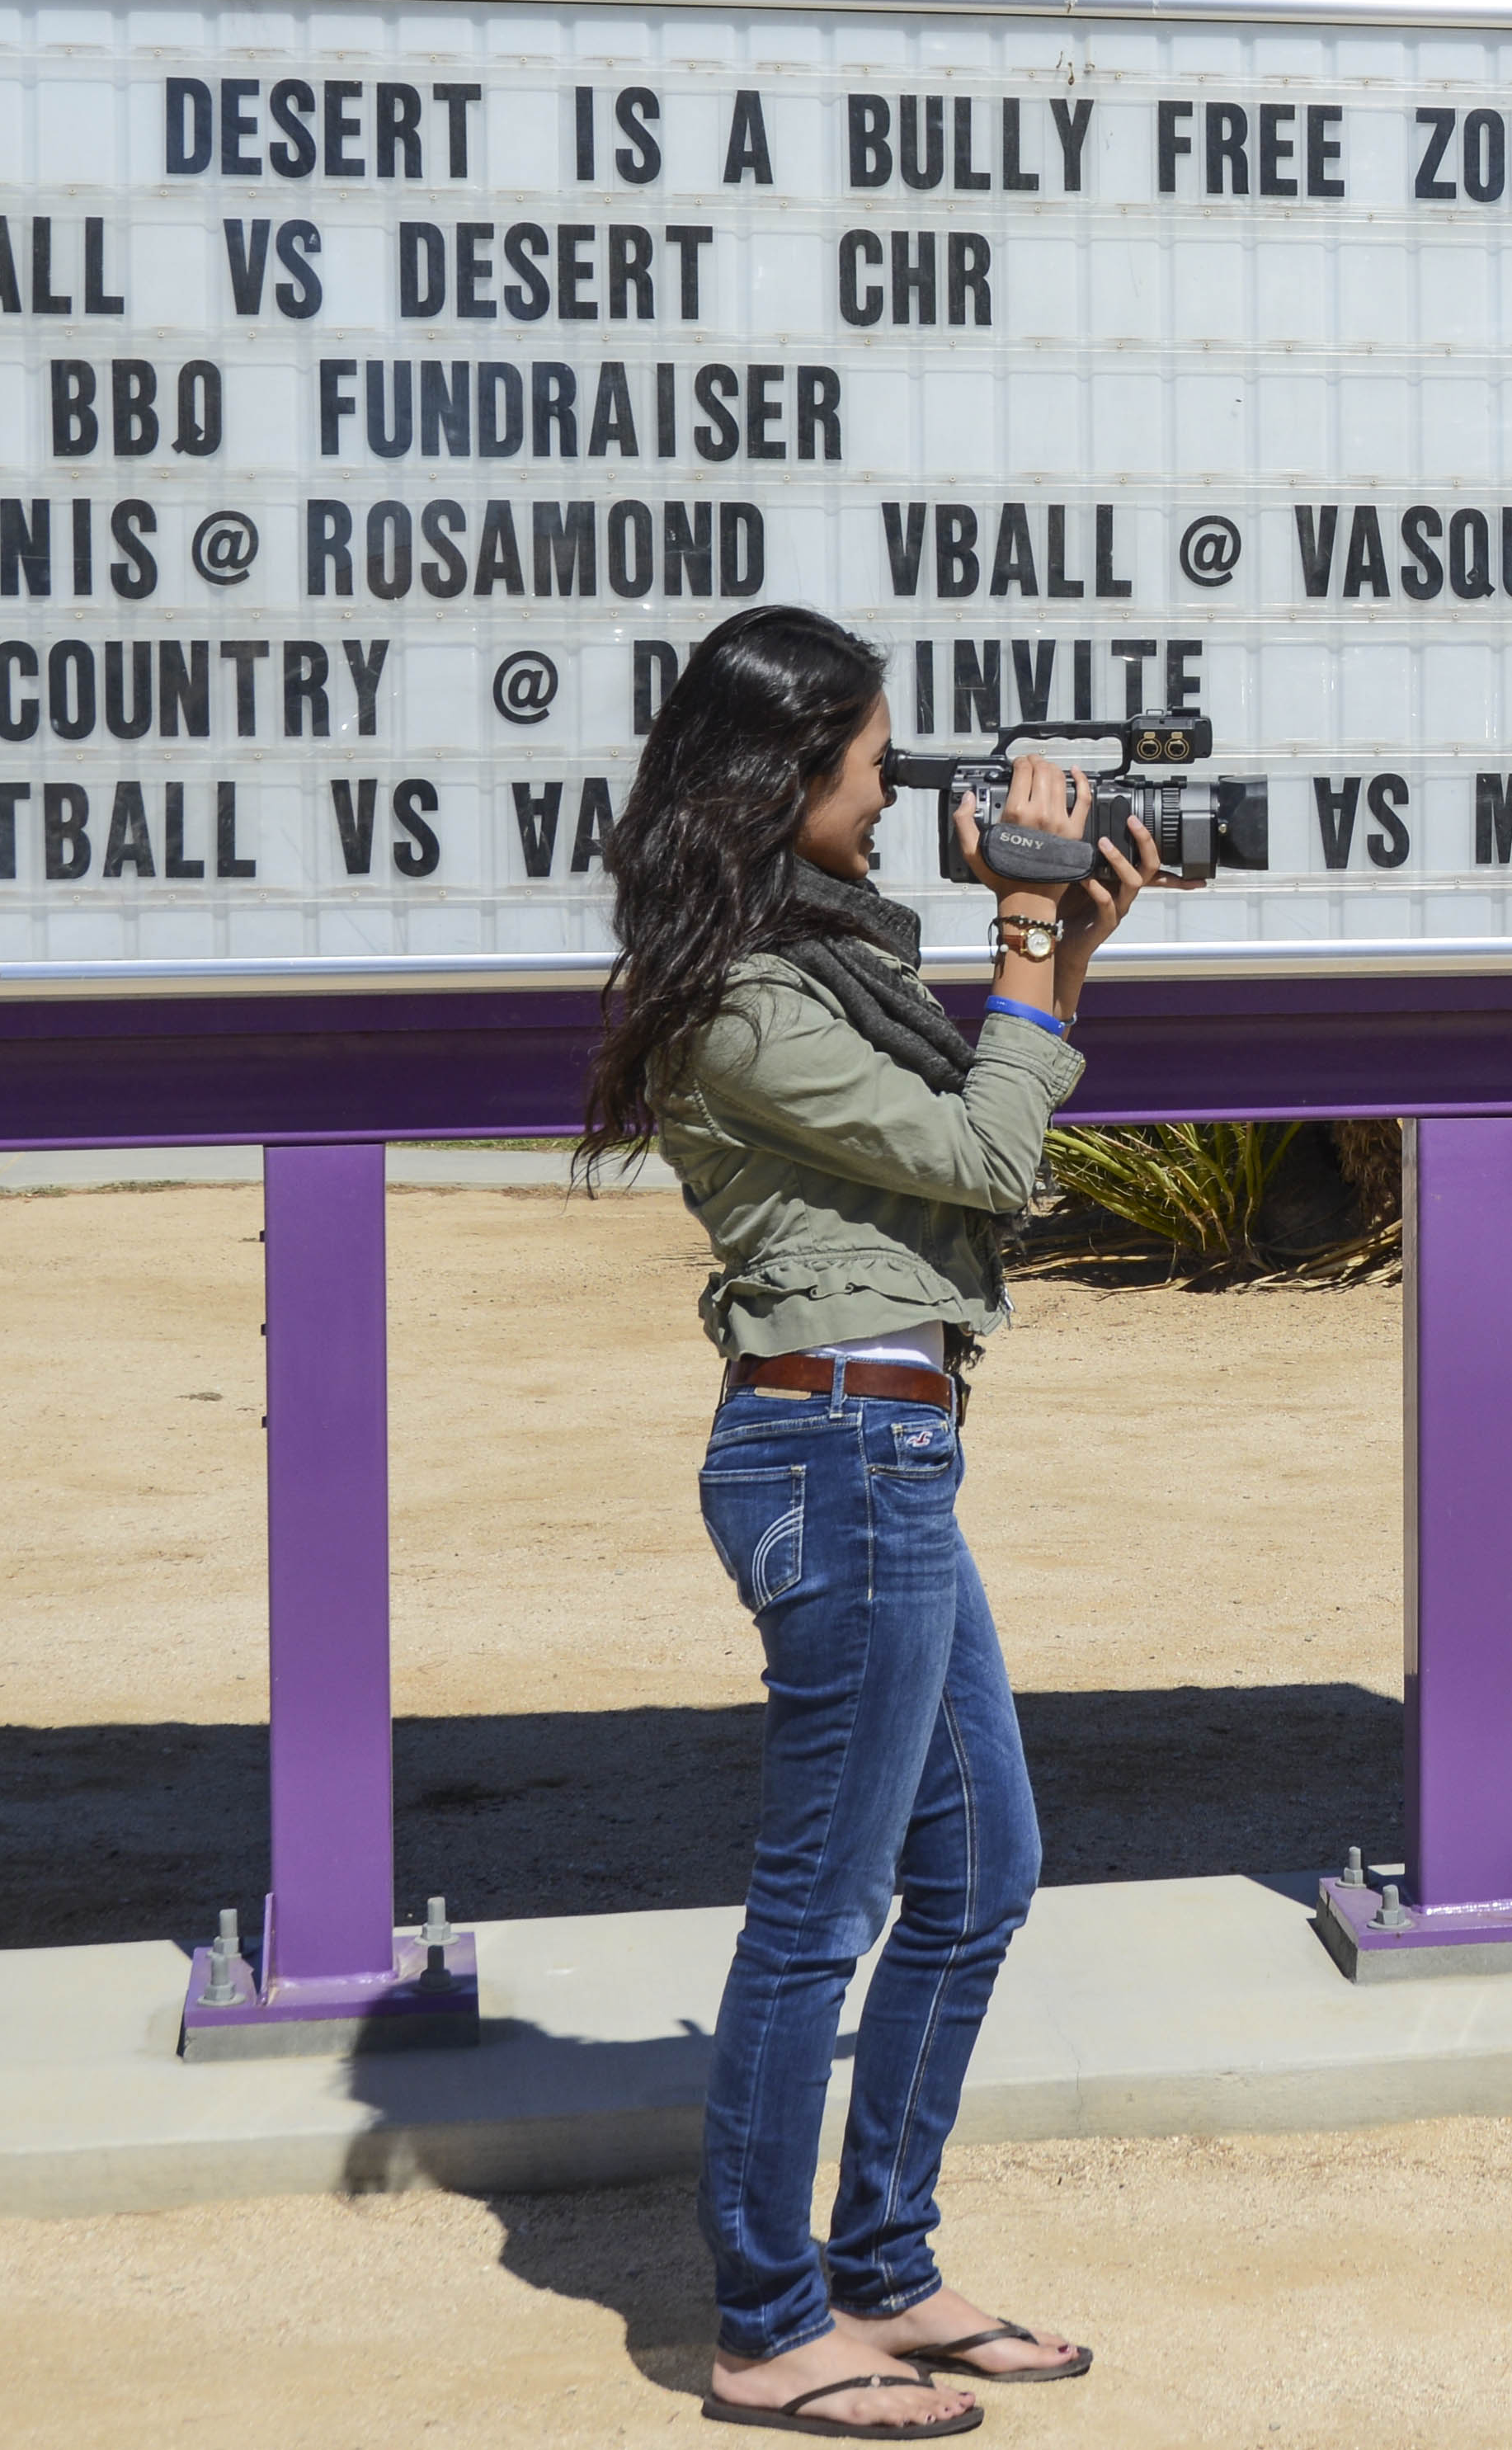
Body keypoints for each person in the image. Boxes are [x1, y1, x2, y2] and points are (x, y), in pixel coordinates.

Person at [584, 606, 1159, 2440]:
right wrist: (1018, 937)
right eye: (873, 758)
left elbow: (976, 1117)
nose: (896, 787)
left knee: (977, 1876)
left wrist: (1062, 951)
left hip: (891, 1449)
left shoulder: (819, 962)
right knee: (815, 1913)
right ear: (787, 770)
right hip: (834, 1455)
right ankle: (766, 2321)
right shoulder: (745, 999)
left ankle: (885, 2271)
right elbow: (991, 1157)